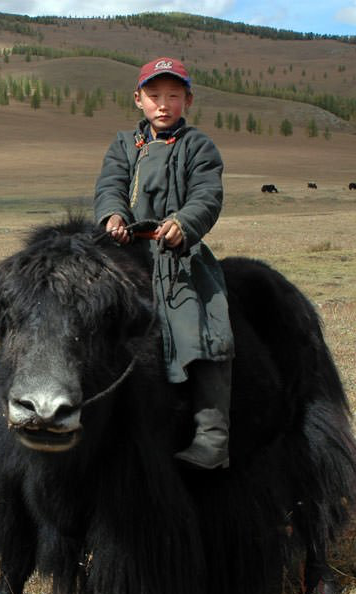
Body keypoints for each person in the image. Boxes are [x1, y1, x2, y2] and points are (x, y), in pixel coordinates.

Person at [93, 57, 234, 469]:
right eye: (154, 96)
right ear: (138, 99)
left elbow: (207, 195)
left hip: (181, 257)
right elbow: (110, 187)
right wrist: (113, 217)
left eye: (173, 95)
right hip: (126, 255)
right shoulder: (123, 145)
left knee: (206, 333)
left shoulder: (199, 146)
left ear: (188, 100)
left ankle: (212, 440)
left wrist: (184, 224)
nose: (163, 104)